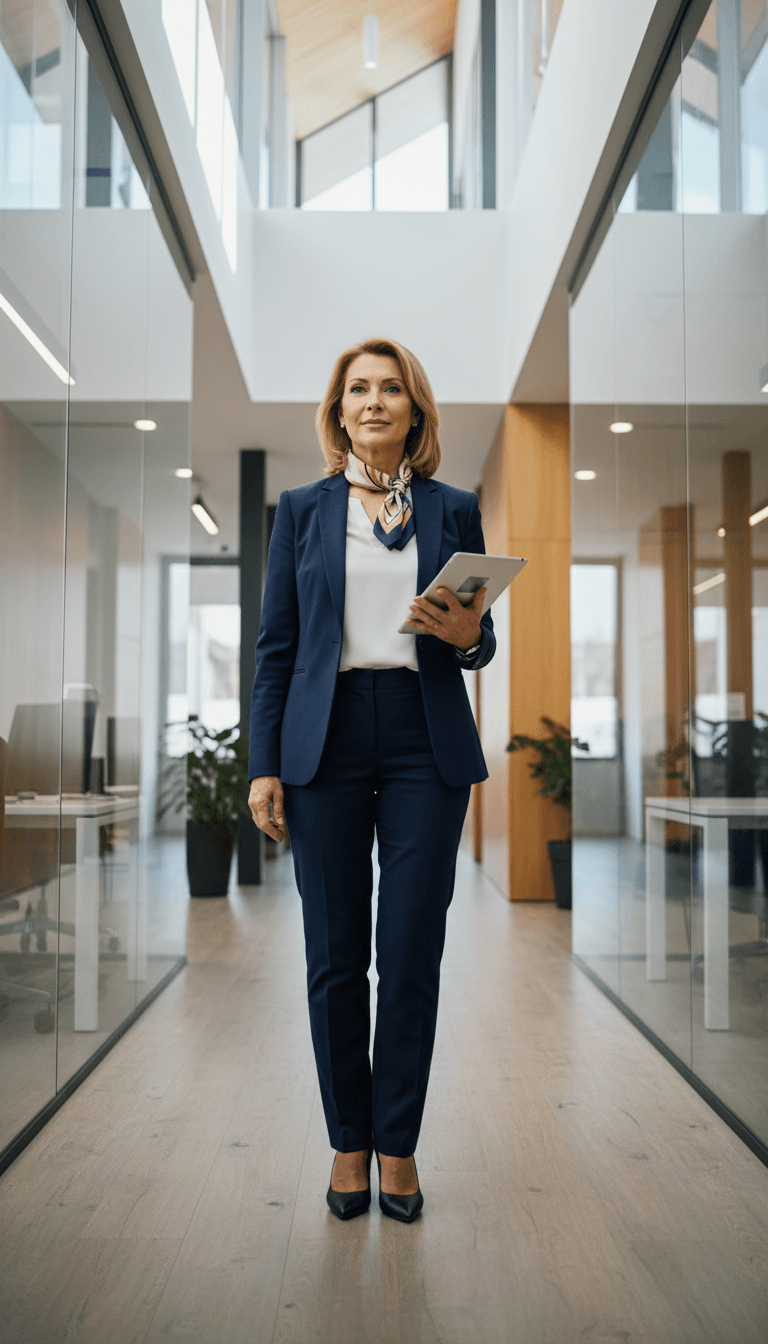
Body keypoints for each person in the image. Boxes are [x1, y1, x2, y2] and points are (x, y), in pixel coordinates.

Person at [247, 337, 495, 1223]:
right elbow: (277, 647)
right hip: (328, 738)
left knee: (412, 954)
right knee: (334, 955)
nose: (376, 401)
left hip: (427, 737)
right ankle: (348, 1144)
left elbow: (480, 642)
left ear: (415, 411)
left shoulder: (452, 507)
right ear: (339, 409)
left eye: (392, 388)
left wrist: (464, 630)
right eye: (359, 388)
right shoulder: (304, 510)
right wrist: (263, 765)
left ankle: (399, 1147)